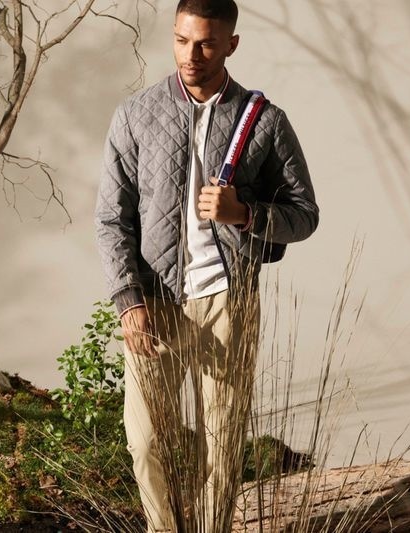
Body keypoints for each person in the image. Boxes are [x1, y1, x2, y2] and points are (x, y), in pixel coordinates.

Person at [95, 0, 319, 530]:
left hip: (228, 302)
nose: (190, 55)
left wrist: (245, 214)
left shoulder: (264, 121)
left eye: (205, 44)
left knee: (222, 447)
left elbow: (305, 214)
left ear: (231, 45)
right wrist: (128, 300)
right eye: (181, 40)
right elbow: (110, 219)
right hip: (156, 303)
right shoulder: (136, 114)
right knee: (145, 441)